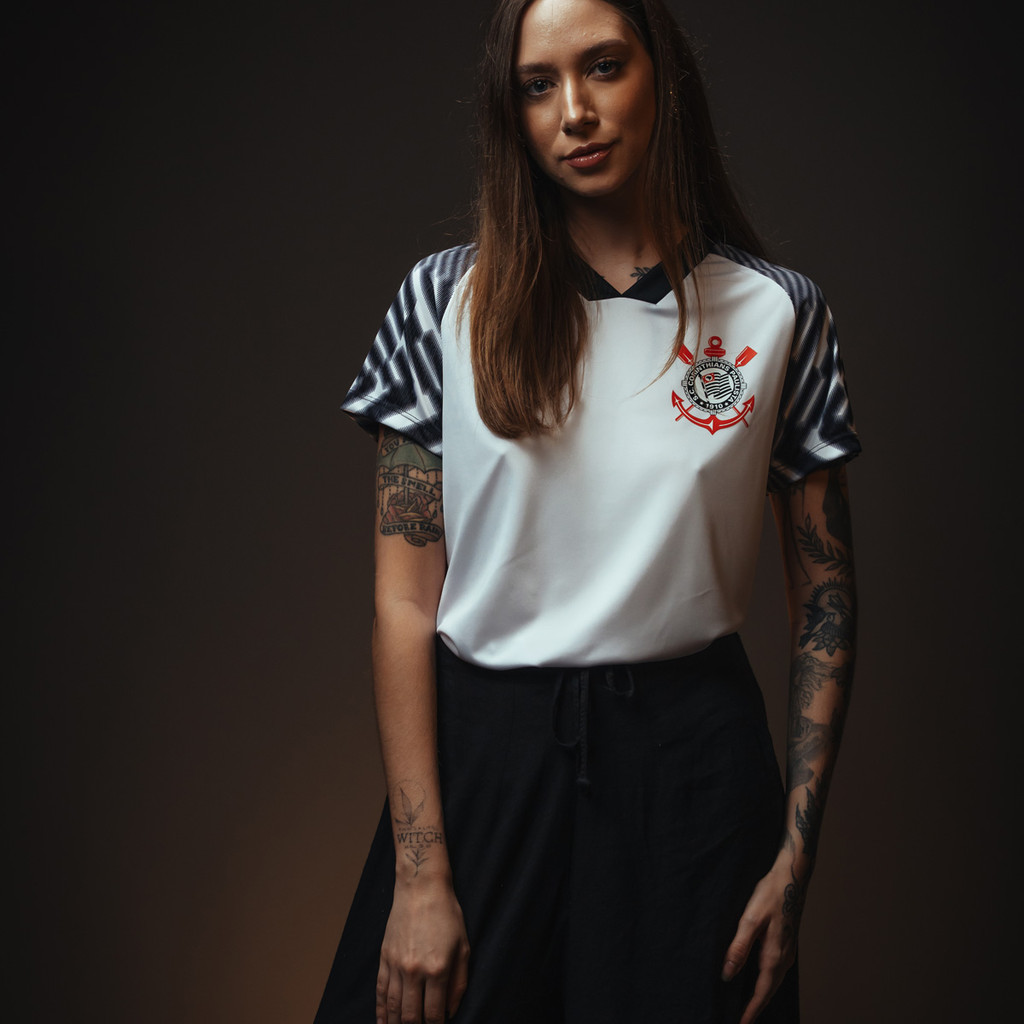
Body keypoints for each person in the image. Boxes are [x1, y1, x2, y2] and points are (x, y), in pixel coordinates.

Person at [314, 1, 859, 1021]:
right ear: (512, 112)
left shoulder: (780, 311)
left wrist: (795, 857)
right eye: (538, 84)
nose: (574, 111)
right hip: (485, 760)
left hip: (692, 775)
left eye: (603, 66)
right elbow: (403, 603)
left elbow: (824, 595)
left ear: (663, 75)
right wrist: (421, 875)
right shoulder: (442, 302)